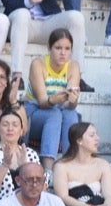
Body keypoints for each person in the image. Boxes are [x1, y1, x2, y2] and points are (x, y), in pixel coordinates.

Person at [24, 29, 81, 168]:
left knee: (71, 115)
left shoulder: (73, 66)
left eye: (67, 49)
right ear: (49, 48)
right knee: (54, 114)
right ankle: (48, 169)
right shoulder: (38, 64)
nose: (63, 53)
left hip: (59, 111)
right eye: (58, 48)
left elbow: (69, 105)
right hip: (33, 112)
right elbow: (43, 102)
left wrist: (73, 101)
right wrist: (53, 101)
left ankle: (69, 165)